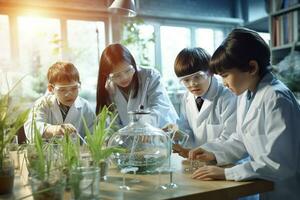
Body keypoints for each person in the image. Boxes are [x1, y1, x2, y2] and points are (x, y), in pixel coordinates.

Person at [188, 28, 300, 200]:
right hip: (268, 188)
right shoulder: (246, 94)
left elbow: (279, 164)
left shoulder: (276, 98)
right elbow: (241, 138)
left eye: (225, 75)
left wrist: (227, 173)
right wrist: (213, 152)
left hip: (288, 191)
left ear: (252, 67)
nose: (224, 83)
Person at [169, 47, 237, 157]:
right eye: (186, 80)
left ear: (210, 72)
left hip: (225, 161)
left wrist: (202, 151)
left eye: (198, 77)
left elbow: (230, 137)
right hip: (197, 160)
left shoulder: (227, 97)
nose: (192, 84)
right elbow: (186, 127)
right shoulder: (187, 97)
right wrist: (178, 134)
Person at [96, 43, 178, 128]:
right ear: (107, 75)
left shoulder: (150, 76)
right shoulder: (109, 88)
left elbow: (160, 108)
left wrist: (144, 124)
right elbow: (112, 123)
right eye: (117, 75)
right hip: (132, 139)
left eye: (128, 71)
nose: (124, 77)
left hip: (160, 133)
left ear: (133, 63)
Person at [24, 62, 96, 141]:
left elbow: (94, 136)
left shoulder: (86, 108)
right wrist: (55, 129)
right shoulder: (43, 104)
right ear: (51, 88)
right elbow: (31, 129)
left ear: (79, 85)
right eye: (62, 89)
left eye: (74, 88)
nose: (69, 94)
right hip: (47, 153)